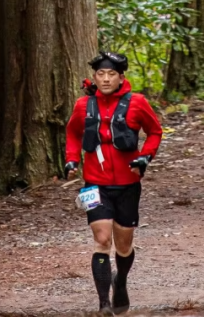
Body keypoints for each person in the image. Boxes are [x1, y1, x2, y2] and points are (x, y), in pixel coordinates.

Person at [65, 52, 163, 315]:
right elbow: (73, 133)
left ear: (121, 77)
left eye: (111, 75)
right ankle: (103, 304)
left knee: (123, 244)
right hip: (94, 184)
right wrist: (72, 159)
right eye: (100, 74)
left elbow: (155, 132)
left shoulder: (138, 103)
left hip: (128, 183)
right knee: (102, 239)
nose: (105, 79)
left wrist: (145, 156)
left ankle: (121, 281)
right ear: (94, 78)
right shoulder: (83, 105)